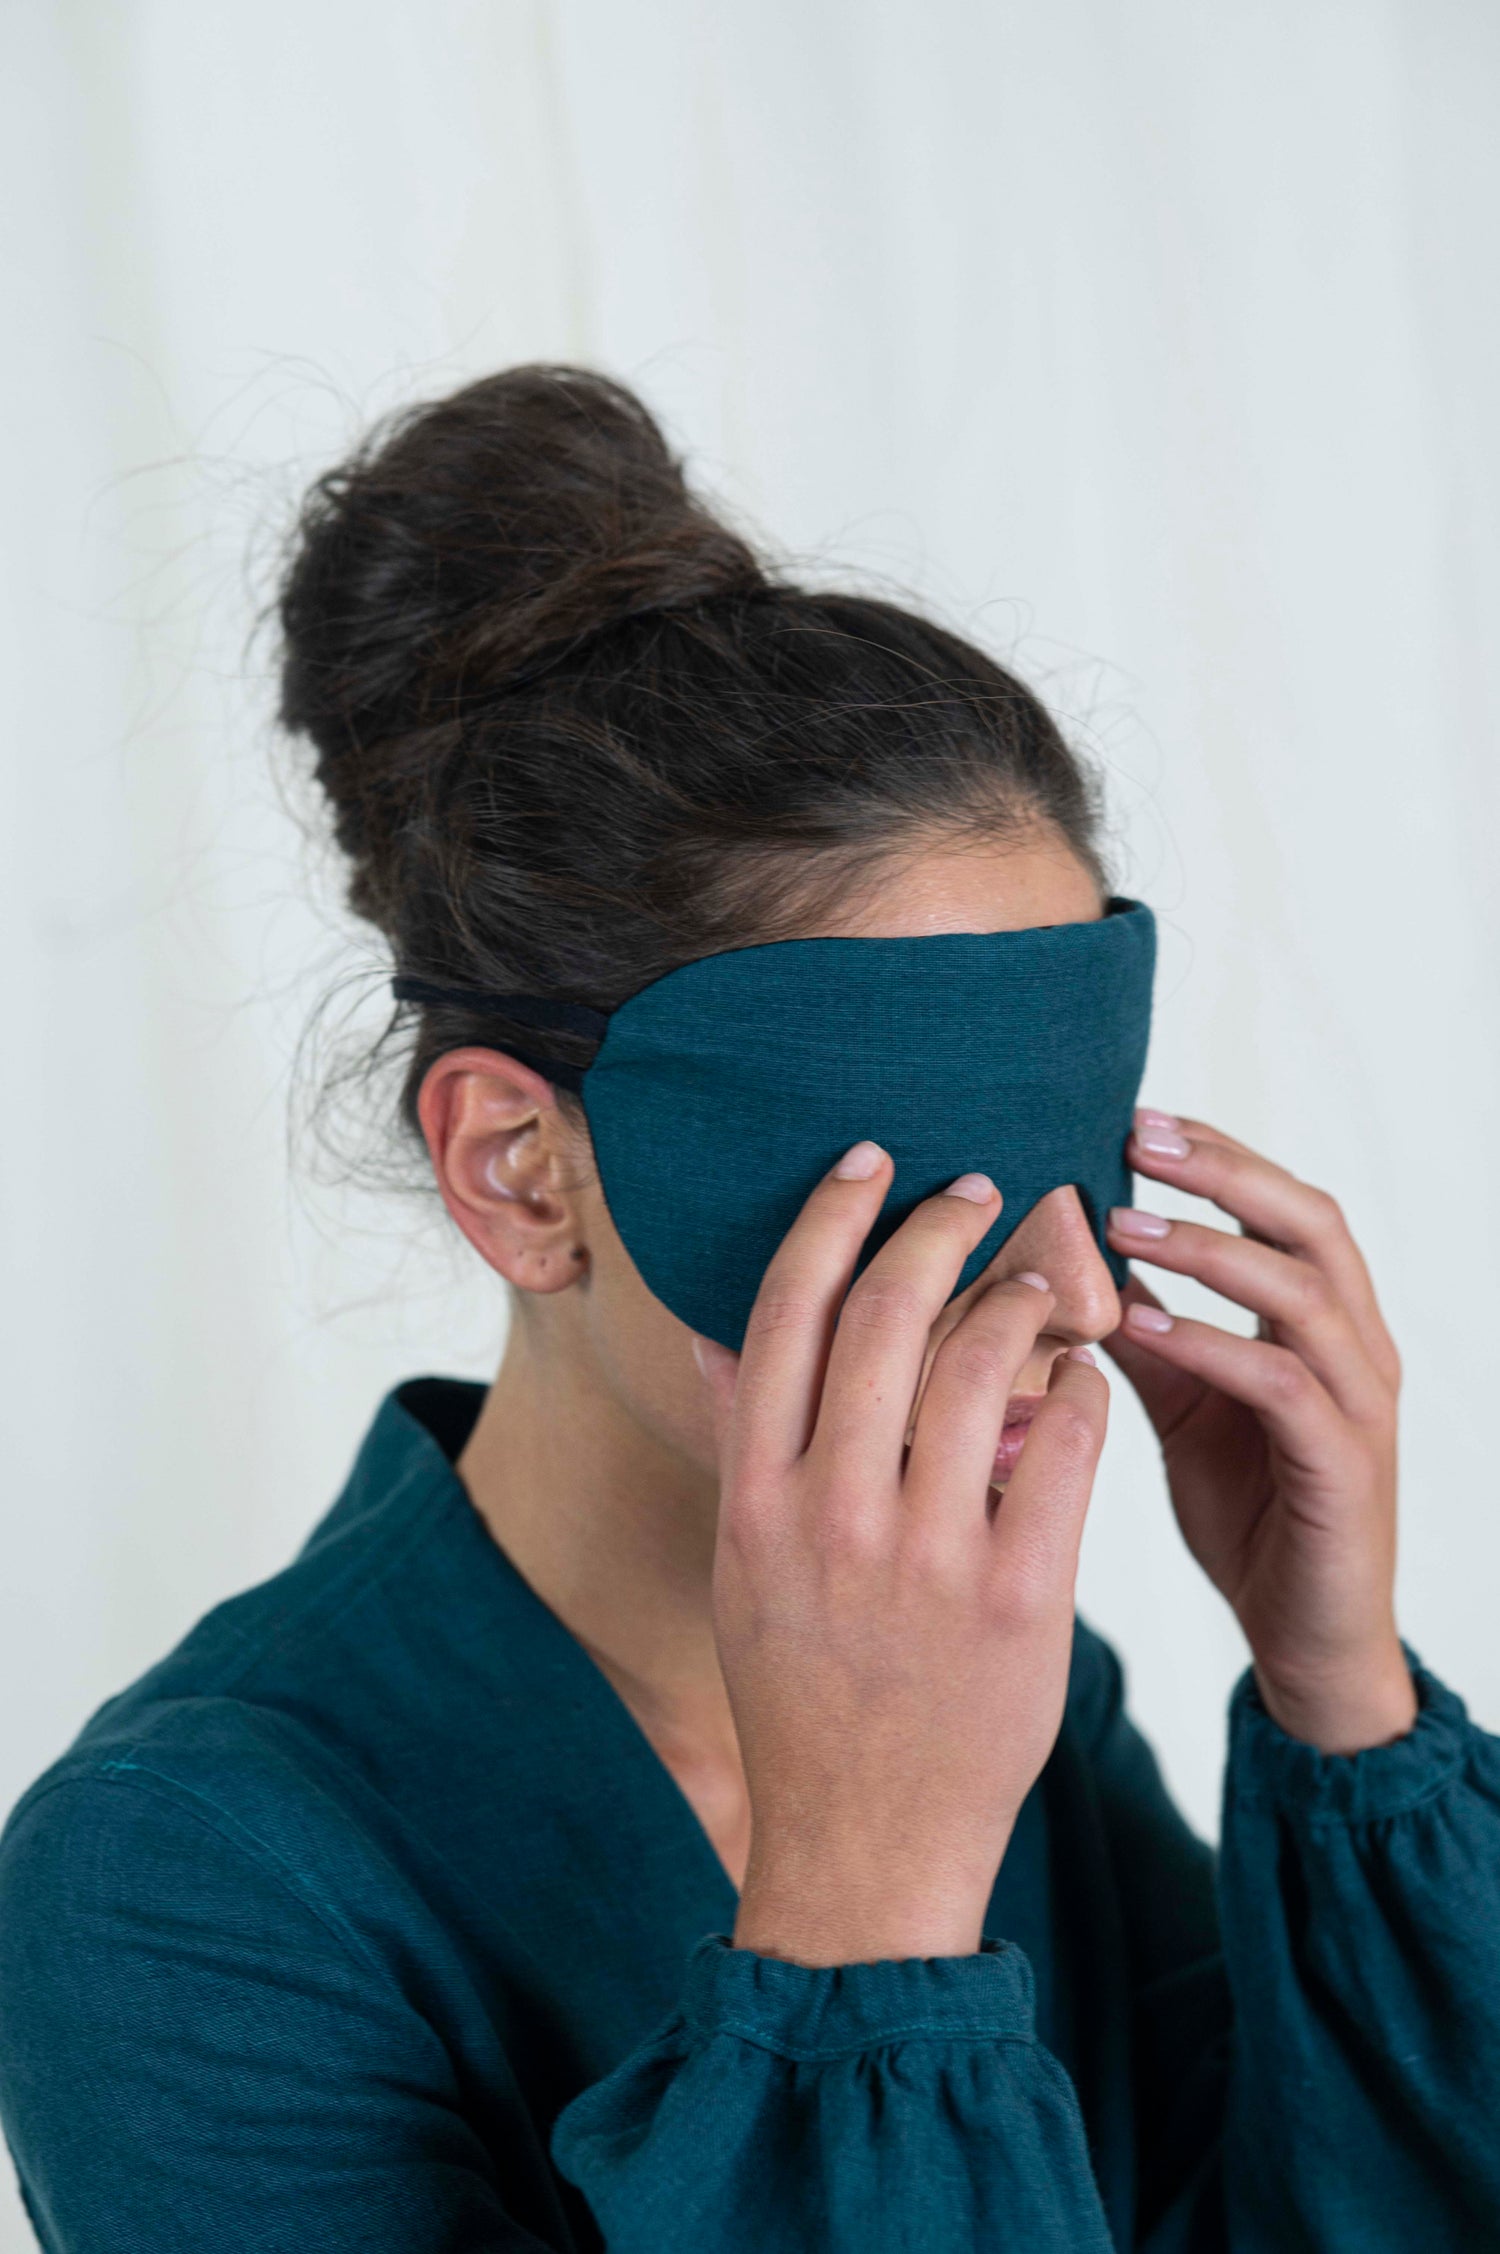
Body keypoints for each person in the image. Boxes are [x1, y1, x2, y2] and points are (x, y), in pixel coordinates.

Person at [2, 366, 1498, 2254]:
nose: (1062, 1289)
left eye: (1069, 1156)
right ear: (521, 1170)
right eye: (900, 1179)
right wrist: (864, 1908)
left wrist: (1343, 1700)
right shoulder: (178, 1882)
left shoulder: (1028, 1705)